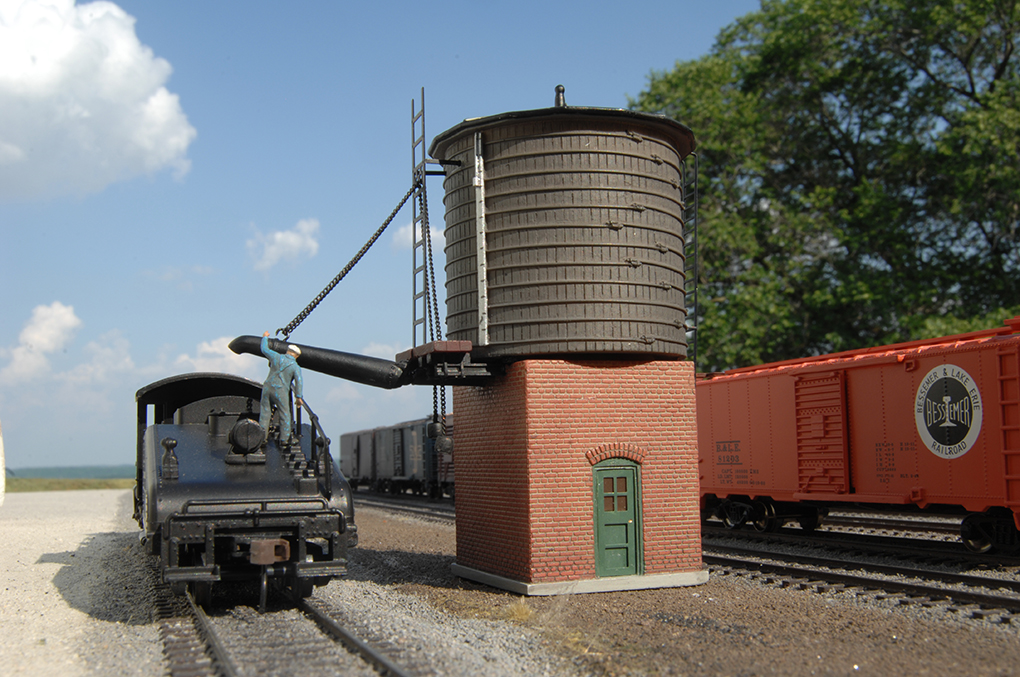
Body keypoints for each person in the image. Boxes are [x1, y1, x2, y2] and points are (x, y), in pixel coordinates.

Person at [259, 331, 304, 442]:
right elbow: (299, 381)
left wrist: (265, 338)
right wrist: (298, 397)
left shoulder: (276, 357)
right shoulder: (295, 367)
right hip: (281, 391)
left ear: (287, 351)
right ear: (297, 356)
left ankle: (261, 437)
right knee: (285, 414)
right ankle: (284, 439)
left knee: (265, 413)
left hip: (268, 388)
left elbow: (264, 350)